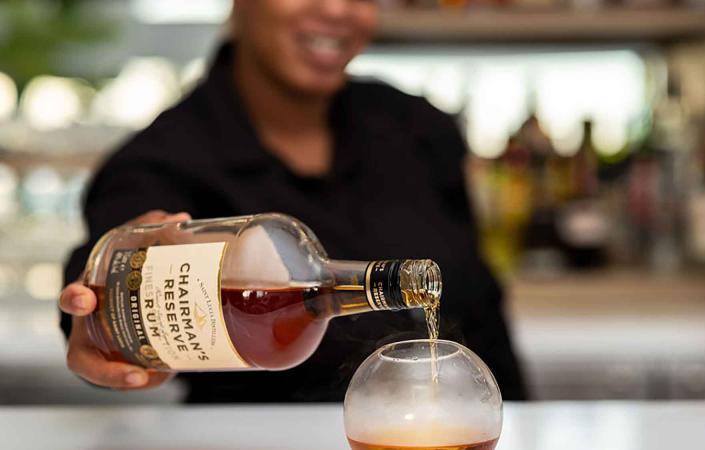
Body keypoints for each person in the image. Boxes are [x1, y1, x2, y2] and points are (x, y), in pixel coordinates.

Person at [59, 0, 528, 402]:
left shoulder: (418, 128)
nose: (338, 10)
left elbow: (484, 312)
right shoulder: (163, 160)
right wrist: (91, 319)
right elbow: (106, 268)